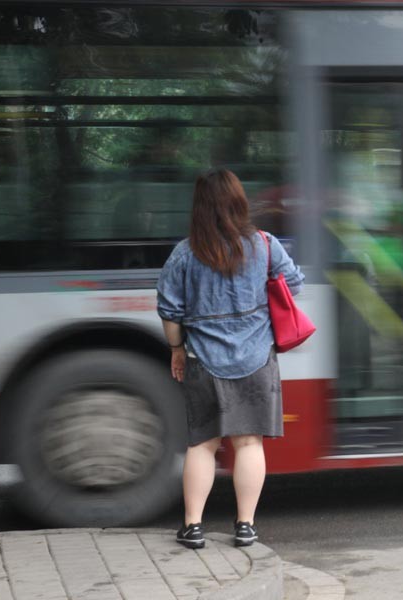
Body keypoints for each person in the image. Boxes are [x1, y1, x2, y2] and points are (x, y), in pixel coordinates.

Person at [156, 168, 304, 549]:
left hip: (204, 360)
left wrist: (177, 349)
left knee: (203, 444)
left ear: (199, 207)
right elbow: (295, 284)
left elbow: (170, 312)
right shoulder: (266, 244)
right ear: (239, 202)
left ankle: (193, 527)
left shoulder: (184, 253)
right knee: (249, 443)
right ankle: (245, 526)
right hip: (256, 357)